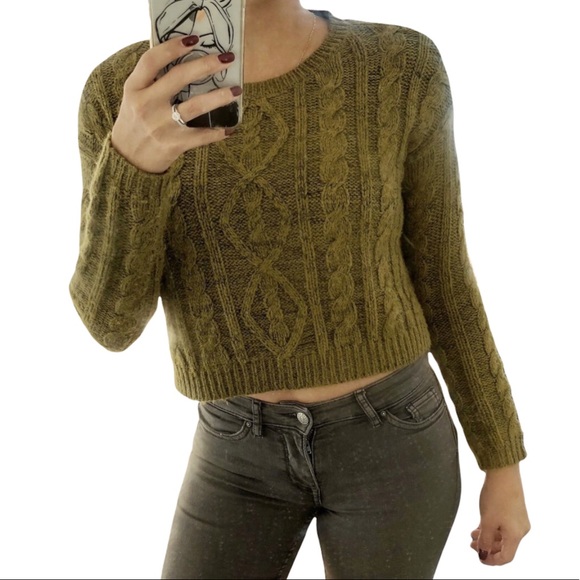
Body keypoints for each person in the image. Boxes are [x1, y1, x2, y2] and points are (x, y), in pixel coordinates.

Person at [68, 1, 530, 577]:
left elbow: (444, 276)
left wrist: (502, 463)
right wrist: (135, 162)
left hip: (395, 438)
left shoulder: (399, 66)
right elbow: (110, 324)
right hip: (234, 448)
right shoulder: (120, 94)